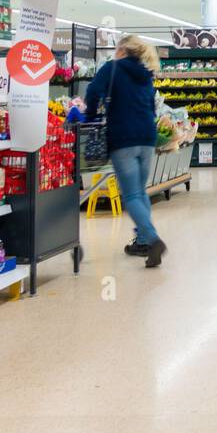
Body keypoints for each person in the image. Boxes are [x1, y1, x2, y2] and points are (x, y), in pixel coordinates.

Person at [85, 34, 168, 268]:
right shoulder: (145, 73)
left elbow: (92, 92)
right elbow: (151, 105)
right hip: (147, 137)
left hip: (123, 138)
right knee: (140, 192)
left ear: (121, 50)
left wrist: (91, 115)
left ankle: (153, 239)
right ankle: (143, 240)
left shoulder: (111, 68)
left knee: (131, 196)